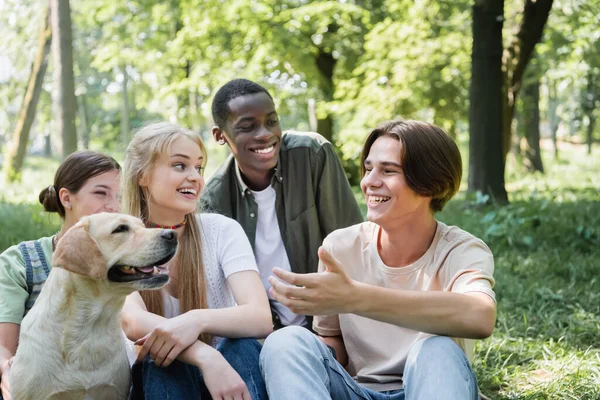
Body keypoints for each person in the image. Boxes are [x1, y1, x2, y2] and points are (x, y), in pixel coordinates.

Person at [260, 120, 497, 400]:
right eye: (369, 168)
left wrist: (356, 298)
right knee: (285, 341)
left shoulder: (461, 250)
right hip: (358, 392)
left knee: (437, 349)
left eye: (388, 170)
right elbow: (332, 340)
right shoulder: (340, 246)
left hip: (432, 387)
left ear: (431, 182)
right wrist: (308, 360)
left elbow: (480, 316)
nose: (369, 181)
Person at [119, 122, 272, 400]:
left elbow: (261, 317)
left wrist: (196, 320)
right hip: (162, 382)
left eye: (198, 168)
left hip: (230, 374)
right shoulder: (118, 243)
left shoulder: (221, 230)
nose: (195, 178)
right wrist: (203, 355)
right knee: (163, 360)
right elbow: (133, 320)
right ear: (142, 175)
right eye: (180, 166)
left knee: (241, 346)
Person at [201, 78, 363, 330]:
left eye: (271, 121)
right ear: (220, 135)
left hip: (331, 325)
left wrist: (339, 334)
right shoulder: (213, 200)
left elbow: (353, 245)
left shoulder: (312, 155)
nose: (265, 134)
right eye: (247, 127)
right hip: (264, 334)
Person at [0, 151, 120, 400]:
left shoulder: (122, 263)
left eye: (119, 196)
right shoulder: (20, 261)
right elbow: (4, 347)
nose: (114, 206)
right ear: (66, 198)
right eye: (101, 193)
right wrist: (8, 373)